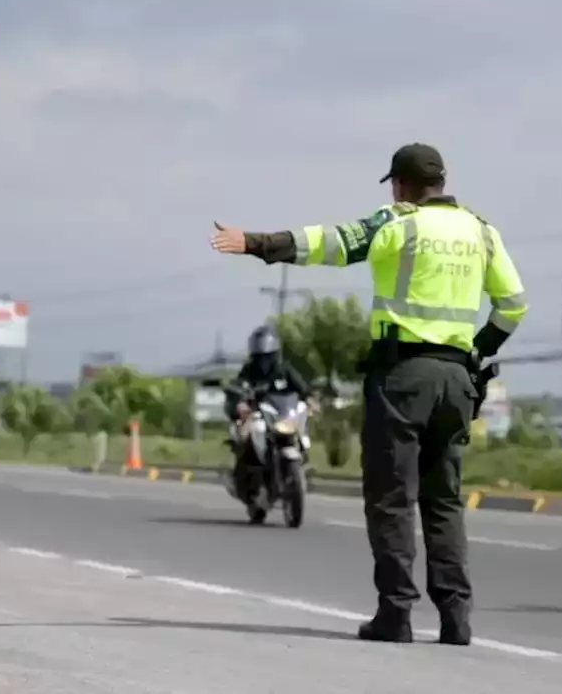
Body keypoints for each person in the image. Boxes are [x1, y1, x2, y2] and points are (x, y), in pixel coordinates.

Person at [210, 143, 528, 645]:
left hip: (402, 377)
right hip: (456, 381)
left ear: (401, 186)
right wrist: (474, 353)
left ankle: (395, 614)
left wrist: (254, 241)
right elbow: (513, 305)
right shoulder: (481, 230)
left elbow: (329, 243)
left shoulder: (397, 223)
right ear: (442, 183)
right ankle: (455, 618)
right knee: (443, 500)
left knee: (392, 497)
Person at [222, 326, 315, 502]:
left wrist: (310, 399)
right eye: (260, 357)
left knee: (300, 426)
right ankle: (244, 476)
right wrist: (241, 401)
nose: (263, 362)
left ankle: (303, 464)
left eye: (267, 357)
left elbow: (303, 388)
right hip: (258, 414)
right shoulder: (249, 371)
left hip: (282, 414)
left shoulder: (284, 370)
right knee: (246, 435)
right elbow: (238, 386)